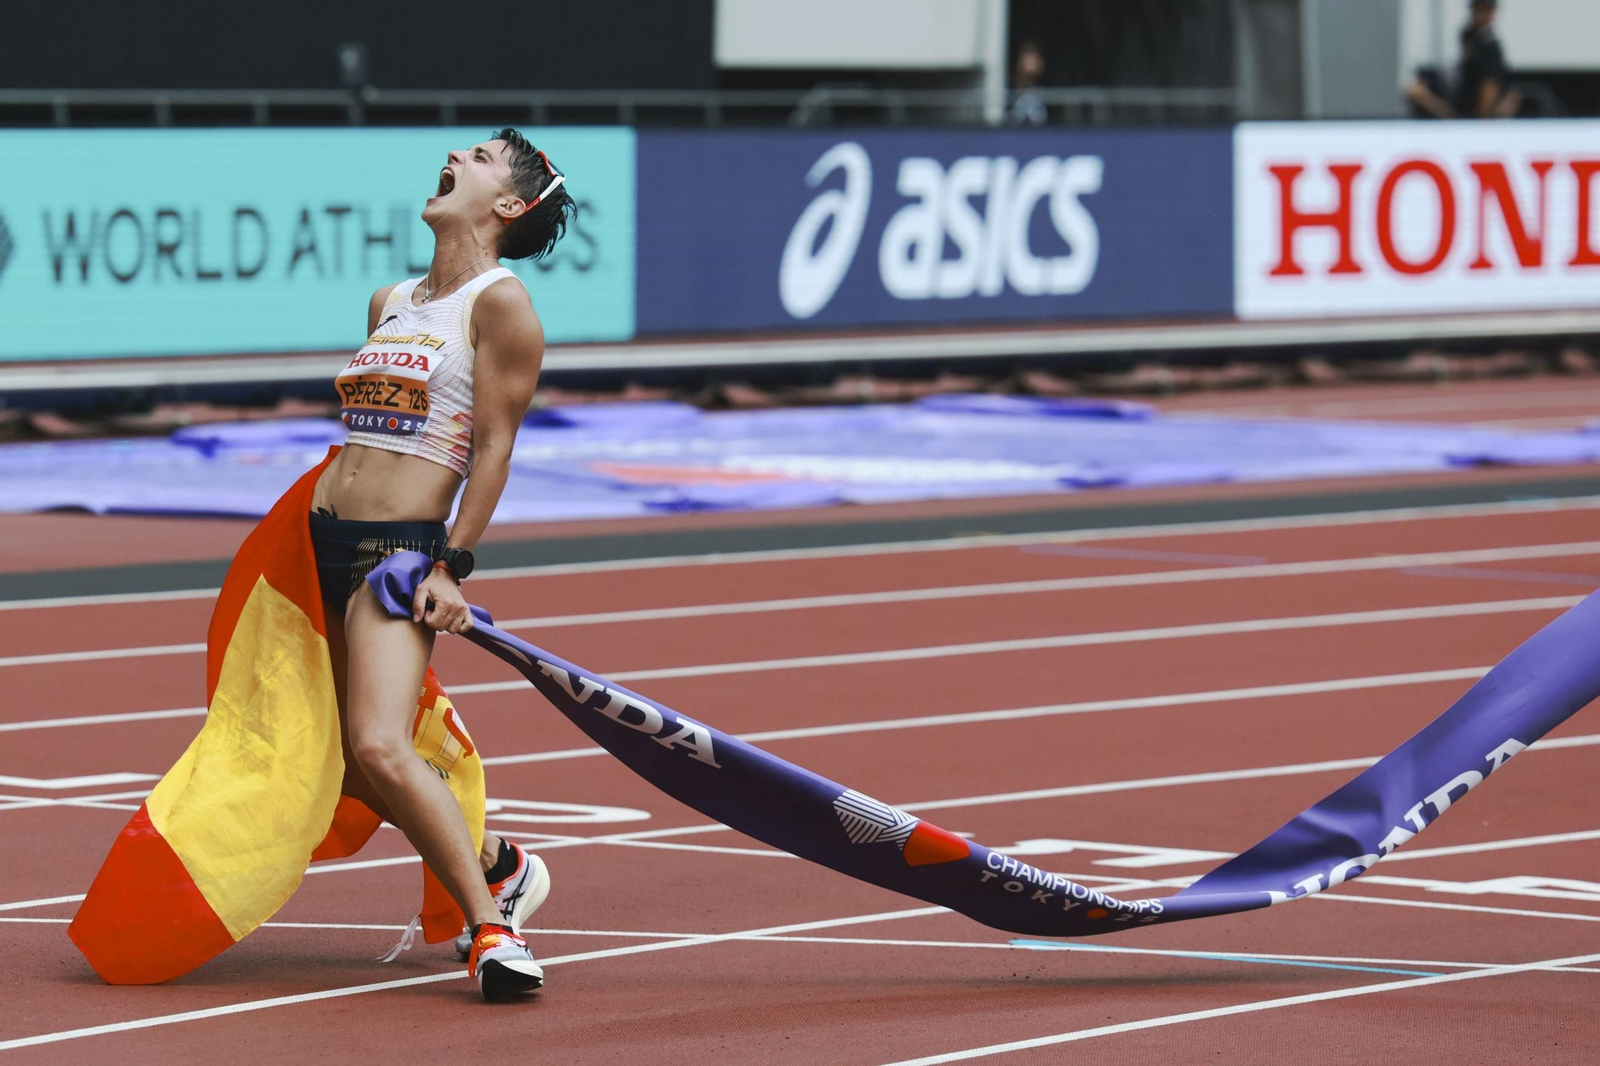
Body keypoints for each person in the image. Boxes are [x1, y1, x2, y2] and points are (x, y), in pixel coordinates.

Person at [309, 127, 576, 1001]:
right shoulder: (391, 298)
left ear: (507, 206)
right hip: (329, 541)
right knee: (353, 765)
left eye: (481, 158)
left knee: (383, 746)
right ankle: (500, 861)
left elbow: (494, 450)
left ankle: (491, 931)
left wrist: (452, 564)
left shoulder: (502, 307)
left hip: (399, 555)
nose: (454, 156)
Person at [1405, 0, 1520, 119]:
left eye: (1481, 10)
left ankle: (1451, 120)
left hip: (1466, 113)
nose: (1476, 15)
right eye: (1475, 10)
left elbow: (1490, 86)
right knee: (1416, 90)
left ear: (1491, 13)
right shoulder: (1470, 36)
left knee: (1418, 93)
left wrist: (1480, 120)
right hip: (1459, 100)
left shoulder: (1489, 46)